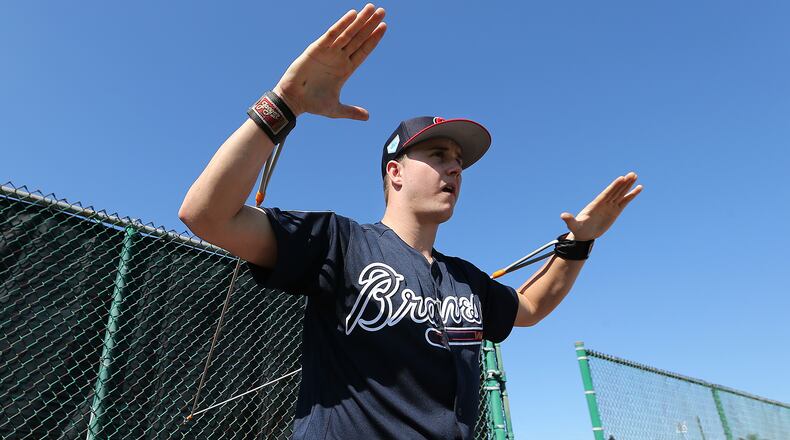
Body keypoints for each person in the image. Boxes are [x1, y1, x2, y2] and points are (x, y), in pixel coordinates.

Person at [178, 4, 642, 439]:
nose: (455, 168)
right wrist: (285, 105)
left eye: (459, 160)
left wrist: (578, 246)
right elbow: (207, 215)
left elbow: (531, 308)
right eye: (438, 154)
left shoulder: (464, 279)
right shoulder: (338, 243)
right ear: (394, 171)